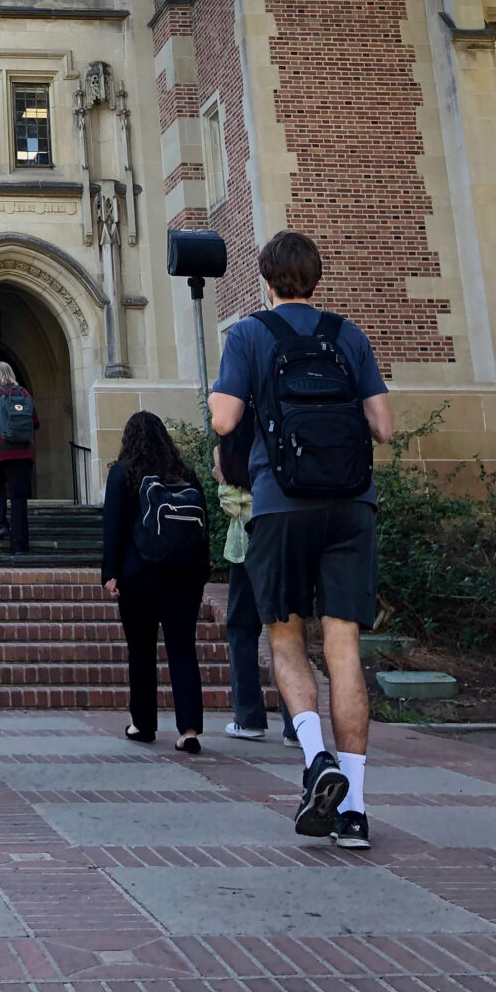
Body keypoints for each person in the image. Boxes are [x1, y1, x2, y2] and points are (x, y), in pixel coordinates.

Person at [209, 230, 394, 850]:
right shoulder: (349, 334)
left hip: (282, 503)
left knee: (285, 638)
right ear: (316, 278)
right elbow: (384, 427)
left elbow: (225, 419)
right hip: (352, 504)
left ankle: (316, 760)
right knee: (344, 650)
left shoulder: (250, 334)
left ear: (266, 280)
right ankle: (356, 812)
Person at [101, 411, 211, 750]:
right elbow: (202, 527)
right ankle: (189, 731)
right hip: (185, 576)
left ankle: (143, 724)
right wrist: (202, 570)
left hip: (139, 575)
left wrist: (109, 573)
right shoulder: (185, 474)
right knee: (183, 649)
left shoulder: (123, 473)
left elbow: (113, 527)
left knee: (141, 650)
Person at [214, 430, 298, 746]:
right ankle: (297, 724)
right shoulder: (279, 439)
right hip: (283, 542)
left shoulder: (232, 449)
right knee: (288, 628)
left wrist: (221, 473)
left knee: (241, 629)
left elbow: (230, 503)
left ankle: (248, 718)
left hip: (245, 548)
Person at [0, 360, 37, 557]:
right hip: (23, 451)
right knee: (19, 497)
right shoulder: (24, 393)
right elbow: (36, 421)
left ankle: (1, 524)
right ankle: (19, 545)